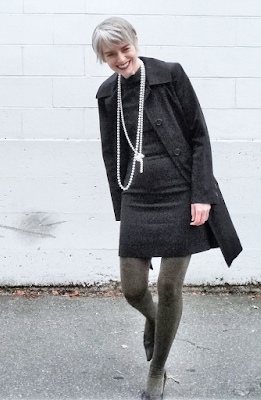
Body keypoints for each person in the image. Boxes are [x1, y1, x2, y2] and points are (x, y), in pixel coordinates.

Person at [92, 17, 242, 400]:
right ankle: (157, 323)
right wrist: (121, 205)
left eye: (124, 49)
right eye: (111, 54)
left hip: (180, 192)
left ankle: (157, 370)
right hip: (138, 196)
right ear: (103, 58)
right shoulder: (107, 94)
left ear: (135, 43)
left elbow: (198, 135)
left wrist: (201, 193)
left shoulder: (170, 75)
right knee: (133, 289)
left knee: (169, 286)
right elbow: (112, 155)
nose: (120, 58)